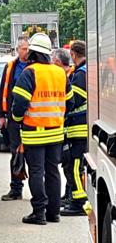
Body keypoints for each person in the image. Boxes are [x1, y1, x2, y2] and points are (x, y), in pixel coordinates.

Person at [11, 33, 74, 225]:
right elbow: (70, 102)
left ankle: (38, 212)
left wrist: (17, 119)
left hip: (34, 132)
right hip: (56, 131)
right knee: (53, 171)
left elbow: (19, 103)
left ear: (32, 52)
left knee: (37, 172)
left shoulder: (29, 72)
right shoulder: (59, 73)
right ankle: (53, 213)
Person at [0, 35, 29, 201]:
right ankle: (16, 189)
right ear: (17, 50)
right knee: (16, 153)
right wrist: (2, 115)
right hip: (13, 118)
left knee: (32, 155)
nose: (26, 52)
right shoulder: (10, 67)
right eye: (24, 49)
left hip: (31, 118)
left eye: (28, 48)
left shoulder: (35, 66)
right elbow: (3, 90)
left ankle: (37, 190)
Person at [61, 40, 88, 216]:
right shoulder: (85, 71)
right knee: (73, 165)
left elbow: (74, 101)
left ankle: (78, 203)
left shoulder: (80, 75)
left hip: (78, 127)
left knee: (75, 165)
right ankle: (72, 198)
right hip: (82, 126)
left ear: (73, 55)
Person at [51, 48, 74, 204]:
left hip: (72, 128)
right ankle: (68, 195)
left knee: (71, 165)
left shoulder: (73, 76)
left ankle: (73, 198)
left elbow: (72, 102)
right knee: (67, 164)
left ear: (58, 62)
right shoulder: (70, 75)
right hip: (66, 127)